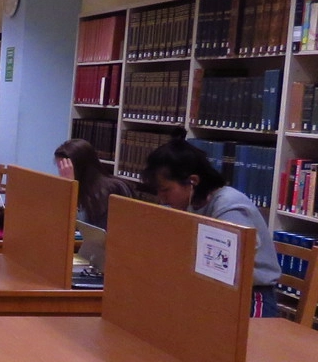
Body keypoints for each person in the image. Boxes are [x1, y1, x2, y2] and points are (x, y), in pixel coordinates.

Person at [144, 131, 282, 317]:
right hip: (214, 291)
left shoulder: (230, 207)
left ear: (192, 181)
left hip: (252, 296)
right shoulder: (189, 203)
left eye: (166, 190)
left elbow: (231, 267)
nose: (162, 198)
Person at [53, 137, 133, 229]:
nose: (61, 174)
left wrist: (70, 187)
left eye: (64, 169)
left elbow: (81, 227)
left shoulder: (109, 191)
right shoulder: (83, 187)